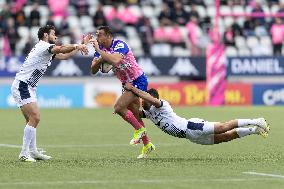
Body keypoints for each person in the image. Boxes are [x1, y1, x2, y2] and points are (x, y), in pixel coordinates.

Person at [124, 83, 270, 158]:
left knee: (223, 127)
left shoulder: (161, 104)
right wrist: (122, 106)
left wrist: (135, 90)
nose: (143, 101)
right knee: (225, 137)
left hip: (191, 126)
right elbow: (134, 113)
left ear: (153, 98)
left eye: (145, 99)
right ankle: (254, 130)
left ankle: (257, 120)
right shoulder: (148, 113)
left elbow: (151, 100)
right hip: (190, 137)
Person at [11, 25, 90, 162]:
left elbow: (64, 55)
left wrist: (81, 45)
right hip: (23, 85)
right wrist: (78, 45)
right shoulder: (43, 46)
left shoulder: (46, 50)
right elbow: (60, 48)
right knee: (35, 117)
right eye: (54, 34)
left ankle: (33, 151)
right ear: (46, 35)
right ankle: (24, 153)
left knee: (30, 119)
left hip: (28, 86)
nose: (56, 36)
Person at [90, 26, 154, 158]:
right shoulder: (101, 50)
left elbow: (115, 60)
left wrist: (99, 52)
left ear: (108, 36)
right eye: (96, 34)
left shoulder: (120, 44)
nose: (97, 37)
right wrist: (100, 58)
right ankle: (148, 145)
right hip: (126, 84)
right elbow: (93, 70)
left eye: (100, 34)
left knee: (119, 107)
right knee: (135, 114)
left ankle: (140, 130)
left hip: (138, 80)